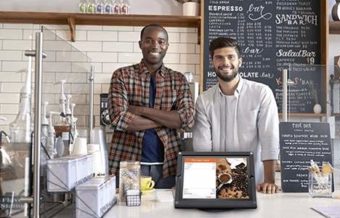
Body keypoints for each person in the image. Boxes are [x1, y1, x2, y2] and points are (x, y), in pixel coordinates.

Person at [108, 24, 194, 188]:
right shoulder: (122, 75)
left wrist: (140, 110)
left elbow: (187, 119)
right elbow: (119, 119)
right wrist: (169, 118)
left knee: (167, 212)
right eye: (149, 41)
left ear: (167, 46)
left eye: (161, 41)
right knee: (129, 212)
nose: (155, 45)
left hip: (169, 165)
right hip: (129, 164)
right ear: (140, 44)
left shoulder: (178, 79)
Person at [192, 37, 279, 194]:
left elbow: (269, 138)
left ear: (240, 61)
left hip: (256, 186)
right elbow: (202, 148)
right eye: (219, 57)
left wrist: (269, 180)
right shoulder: (204, 100)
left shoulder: (261, 93)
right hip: (217, 185)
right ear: (212, 62)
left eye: (231, 57)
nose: (225, 62)